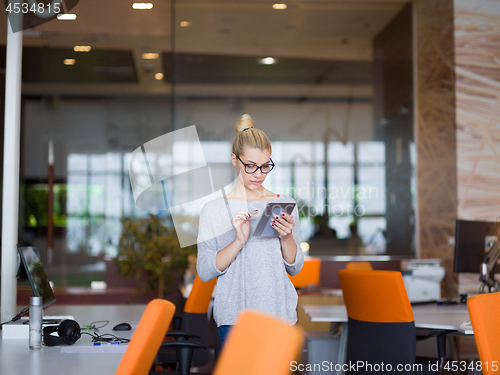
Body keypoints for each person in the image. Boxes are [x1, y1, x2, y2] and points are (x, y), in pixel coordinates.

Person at [196, 114, 304, 346]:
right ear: (235, 160)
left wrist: (286, 237)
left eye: (266, 166)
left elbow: (295, 268)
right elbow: (204, 271)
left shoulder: (283, 204)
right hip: (234, 320)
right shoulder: (214, 210)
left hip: (280, 315)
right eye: (251, 166)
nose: (259, 174)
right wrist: (238, 241)